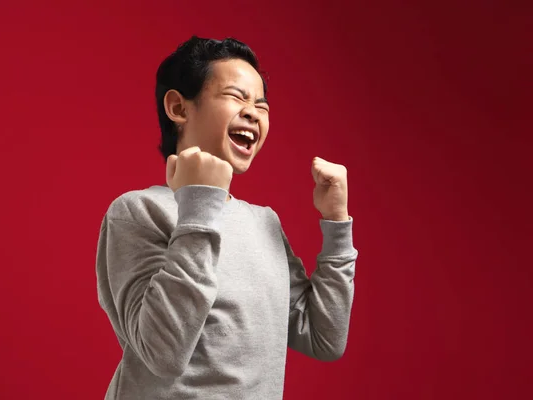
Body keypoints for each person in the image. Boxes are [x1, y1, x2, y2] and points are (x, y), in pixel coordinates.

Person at [95, 36, 358, 400]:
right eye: (236, 96)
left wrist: (336, 226)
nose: (253, 112)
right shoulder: (137, 211)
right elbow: (163, 355)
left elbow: (323, 338)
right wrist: (200, 203)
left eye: (261, 104)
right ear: (178, 107)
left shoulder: (264, 223)